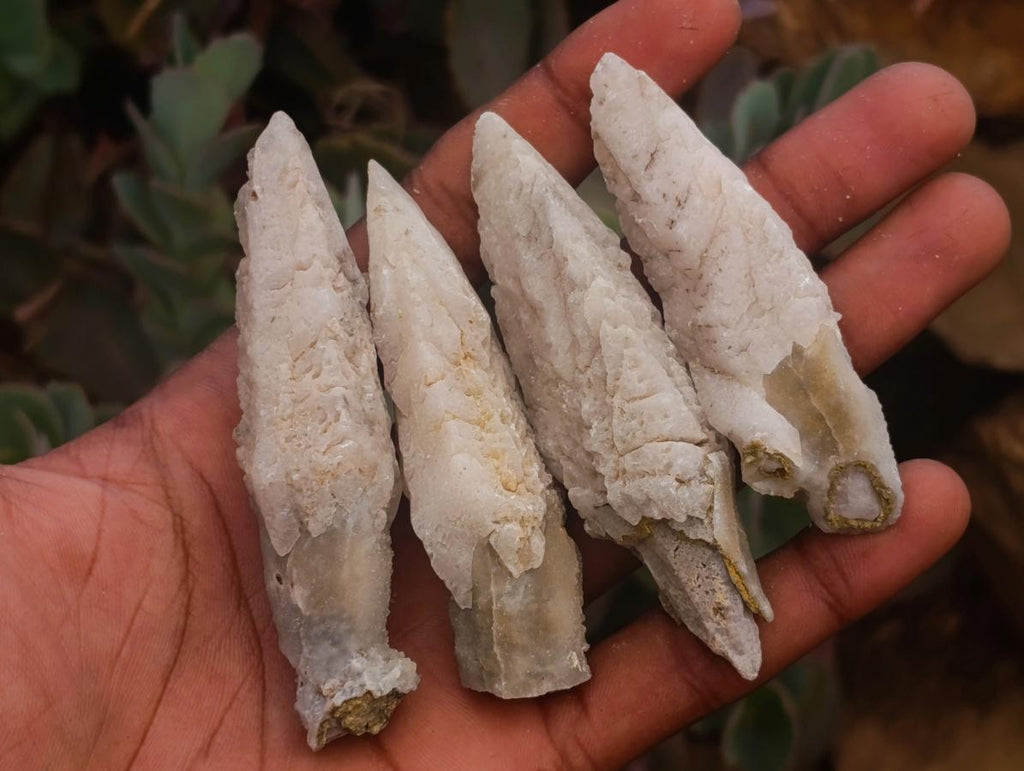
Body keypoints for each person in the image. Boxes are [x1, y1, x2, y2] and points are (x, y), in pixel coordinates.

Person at [0, 0, 1011, 767]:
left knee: (555, 461)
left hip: (643, 429)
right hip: (508, 494)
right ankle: (365, 652)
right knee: (468, 476)